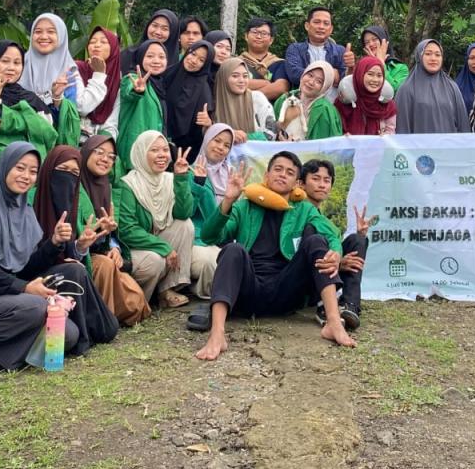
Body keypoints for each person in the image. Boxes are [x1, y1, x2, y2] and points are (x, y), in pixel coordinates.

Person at [194, 151, 355, 361]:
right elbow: (209, 236)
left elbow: (331, 233)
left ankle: (333, 323)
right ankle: (217, 334)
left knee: (316, 242)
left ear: (297, 182)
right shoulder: (244, 206)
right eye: (277, 169)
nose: (282, 175)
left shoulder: (304, 209)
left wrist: (336, 252)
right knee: (233, 250)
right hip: (249, 291)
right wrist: (227, 201)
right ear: (267, 175)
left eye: (289, 172)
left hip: (286, 290)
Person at [0, 143, 97, 372]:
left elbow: (26, 267)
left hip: (12, 300)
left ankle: (12, 349)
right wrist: (25, 288)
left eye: (33, 171)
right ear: (5, 167)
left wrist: (54, 243)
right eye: (20, 168)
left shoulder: (25, 211)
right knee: (36, 307)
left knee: (68, 335)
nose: (26, 176)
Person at [0, 41, 79, 200]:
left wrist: (8, 119)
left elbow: (47, 133)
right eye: (5, 61)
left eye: (17, 63)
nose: (11, 67)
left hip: (21, 173)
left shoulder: (32, 100)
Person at [27, 145, 120, 346]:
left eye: (74, 173)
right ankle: (85, 331)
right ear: (49, 169)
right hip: (29, 275)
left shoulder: (73, 200)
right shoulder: (29, 199)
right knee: (74, 271)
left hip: (64, 273)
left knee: (76, 269)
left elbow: (72, 253)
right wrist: (54, 242)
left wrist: (81, 245)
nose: (67, 178)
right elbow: (25, 261)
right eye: (63, 170)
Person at [113, 130, 218, 306]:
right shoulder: (128, 185)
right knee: (155, 260)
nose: (162, 155)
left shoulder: (169, 179)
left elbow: (183, 213)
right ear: (140, 152)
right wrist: (164, 248)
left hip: (158, 240)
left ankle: (167, 289)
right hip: (136, 247)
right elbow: (127, 230)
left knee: (185, 225)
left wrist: (182, 178)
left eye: (164, 150)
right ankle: (140, 301)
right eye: (154, 150)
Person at [79, 135, 150, 326]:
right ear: (85, 153)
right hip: (82, 256)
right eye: (99, 153)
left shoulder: (108, 188)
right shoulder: (73, 184)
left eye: (111, 157)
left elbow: (111, 230)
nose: (105, 159)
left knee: (138, 303)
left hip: (103, 253)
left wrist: (114, 247)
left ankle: (106, 316)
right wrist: (94, 234)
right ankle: (102, 323)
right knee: (105, 266)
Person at [301, 157, 373, 330]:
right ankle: (324, 306)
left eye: (327, 181)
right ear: (301, 184)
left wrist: (359, 235)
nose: (322, 184)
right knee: (313, 234)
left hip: (325, 271)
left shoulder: (324, 220)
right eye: (315, 179)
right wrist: (338, 263)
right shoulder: (296, 213)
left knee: (358, 240)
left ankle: (350, 305)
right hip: (301, 280)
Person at [115, 38, 169, 181]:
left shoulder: (161, 85)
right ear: (140, 57)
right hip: (134, 155)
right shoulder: (132, 78)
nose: (156, 60)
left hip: (153, 156)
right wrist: (137, 90)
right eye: (150, 56)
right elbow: (129, 92)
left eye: (161, 57)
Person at [395, 39, 469, 134]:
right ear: (419, 56)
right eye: (428, 54)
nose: (433, 58)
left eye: (438, 55)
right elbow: (402, 127)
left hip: (449, 146)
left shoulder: (452, 87)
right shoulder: (406, 89)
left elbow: (463, 124)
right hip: (419, 147)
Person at [21, 13, 85, 106]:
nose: (43, 37)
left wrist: (56, 98)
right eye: (38, 31)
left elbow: (71, 113)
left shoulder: (69, 73)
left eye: (51, 32)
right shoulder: (18, 66)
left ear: (61, 36)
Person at [164, 39, 215, 153]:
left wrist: (208, 123)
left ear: (205, 65)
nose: (194, 61)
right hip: (158, 135)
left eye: (201, 60)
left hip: (185, 149)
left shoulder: (203, 90)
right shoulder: (169, 73)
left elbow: (201, 127)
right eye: (193, 54)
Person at [283, 7, 346, 97]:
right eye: (316, 22)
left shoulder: (340, 51)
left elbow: (345, 79)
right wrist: (331, 73)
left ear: (331, 29)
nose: (321, 27)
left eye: (326, 23)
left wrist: (349, 69)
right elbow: (294, 75)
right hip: (302, 103)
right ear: (307, 26)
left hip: (333, 105)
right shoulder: (295, 49)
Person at [274, 61, 343, 141]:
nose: (311, 82)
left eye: (319, 81)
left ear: (325, 88)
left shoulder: (326, 110)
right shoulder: (284, 99)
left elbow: (329, 147)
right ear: (304, 74)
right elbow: (270, 134)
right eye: (310, 75)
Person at [213, 56, 274, 142]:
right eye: (235, 76)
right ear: (223, 79)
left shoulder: (256, 98)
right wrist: (231, 134)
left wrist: (244, 137)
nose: (241, 80)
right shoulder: (215, 103)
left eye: (245, 76)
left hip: (256, 153)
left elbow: (271, 134)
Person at [76, 26, 121, 140]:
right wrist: (99, 75)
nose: (97, 45)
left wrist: (105, 143)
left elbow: (112, 123)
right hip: (74, 136)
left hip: (101, 142)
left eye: (104, 42)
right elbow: (83, 107)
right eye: (92, 42)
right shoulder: (76, 68)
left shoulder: (117, 79)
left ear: (114, 49)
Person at [336, 57, 398, 136]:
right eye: (370, 74)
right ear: (360, 74)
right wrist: (344, 137)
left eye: (379, 76)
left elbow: (391, 132)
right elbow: (335, 131)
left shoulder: (388, 105)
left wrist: (385, 137)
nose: (375, 80)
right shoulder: (344, 101)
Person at [239, 17, 290, 102]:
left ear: (271, 40)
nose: (259, 36)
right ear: (246, 36)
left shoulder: (280, 63)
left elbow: (280, 88)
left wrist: (248, 100)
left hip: (271, 113)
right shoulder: (236, 62)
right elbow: (232, 84)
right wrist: (266, 83)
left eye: (264, 33)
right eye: (255, 32)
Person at [358, 25, 409, 91]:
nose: (371, 44)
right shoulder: (361, 66)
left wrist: (380, 63)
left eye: (374, 39)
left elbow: (397, 91)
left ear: (383, 40)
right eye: (367, 42)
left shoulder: (401, 68)